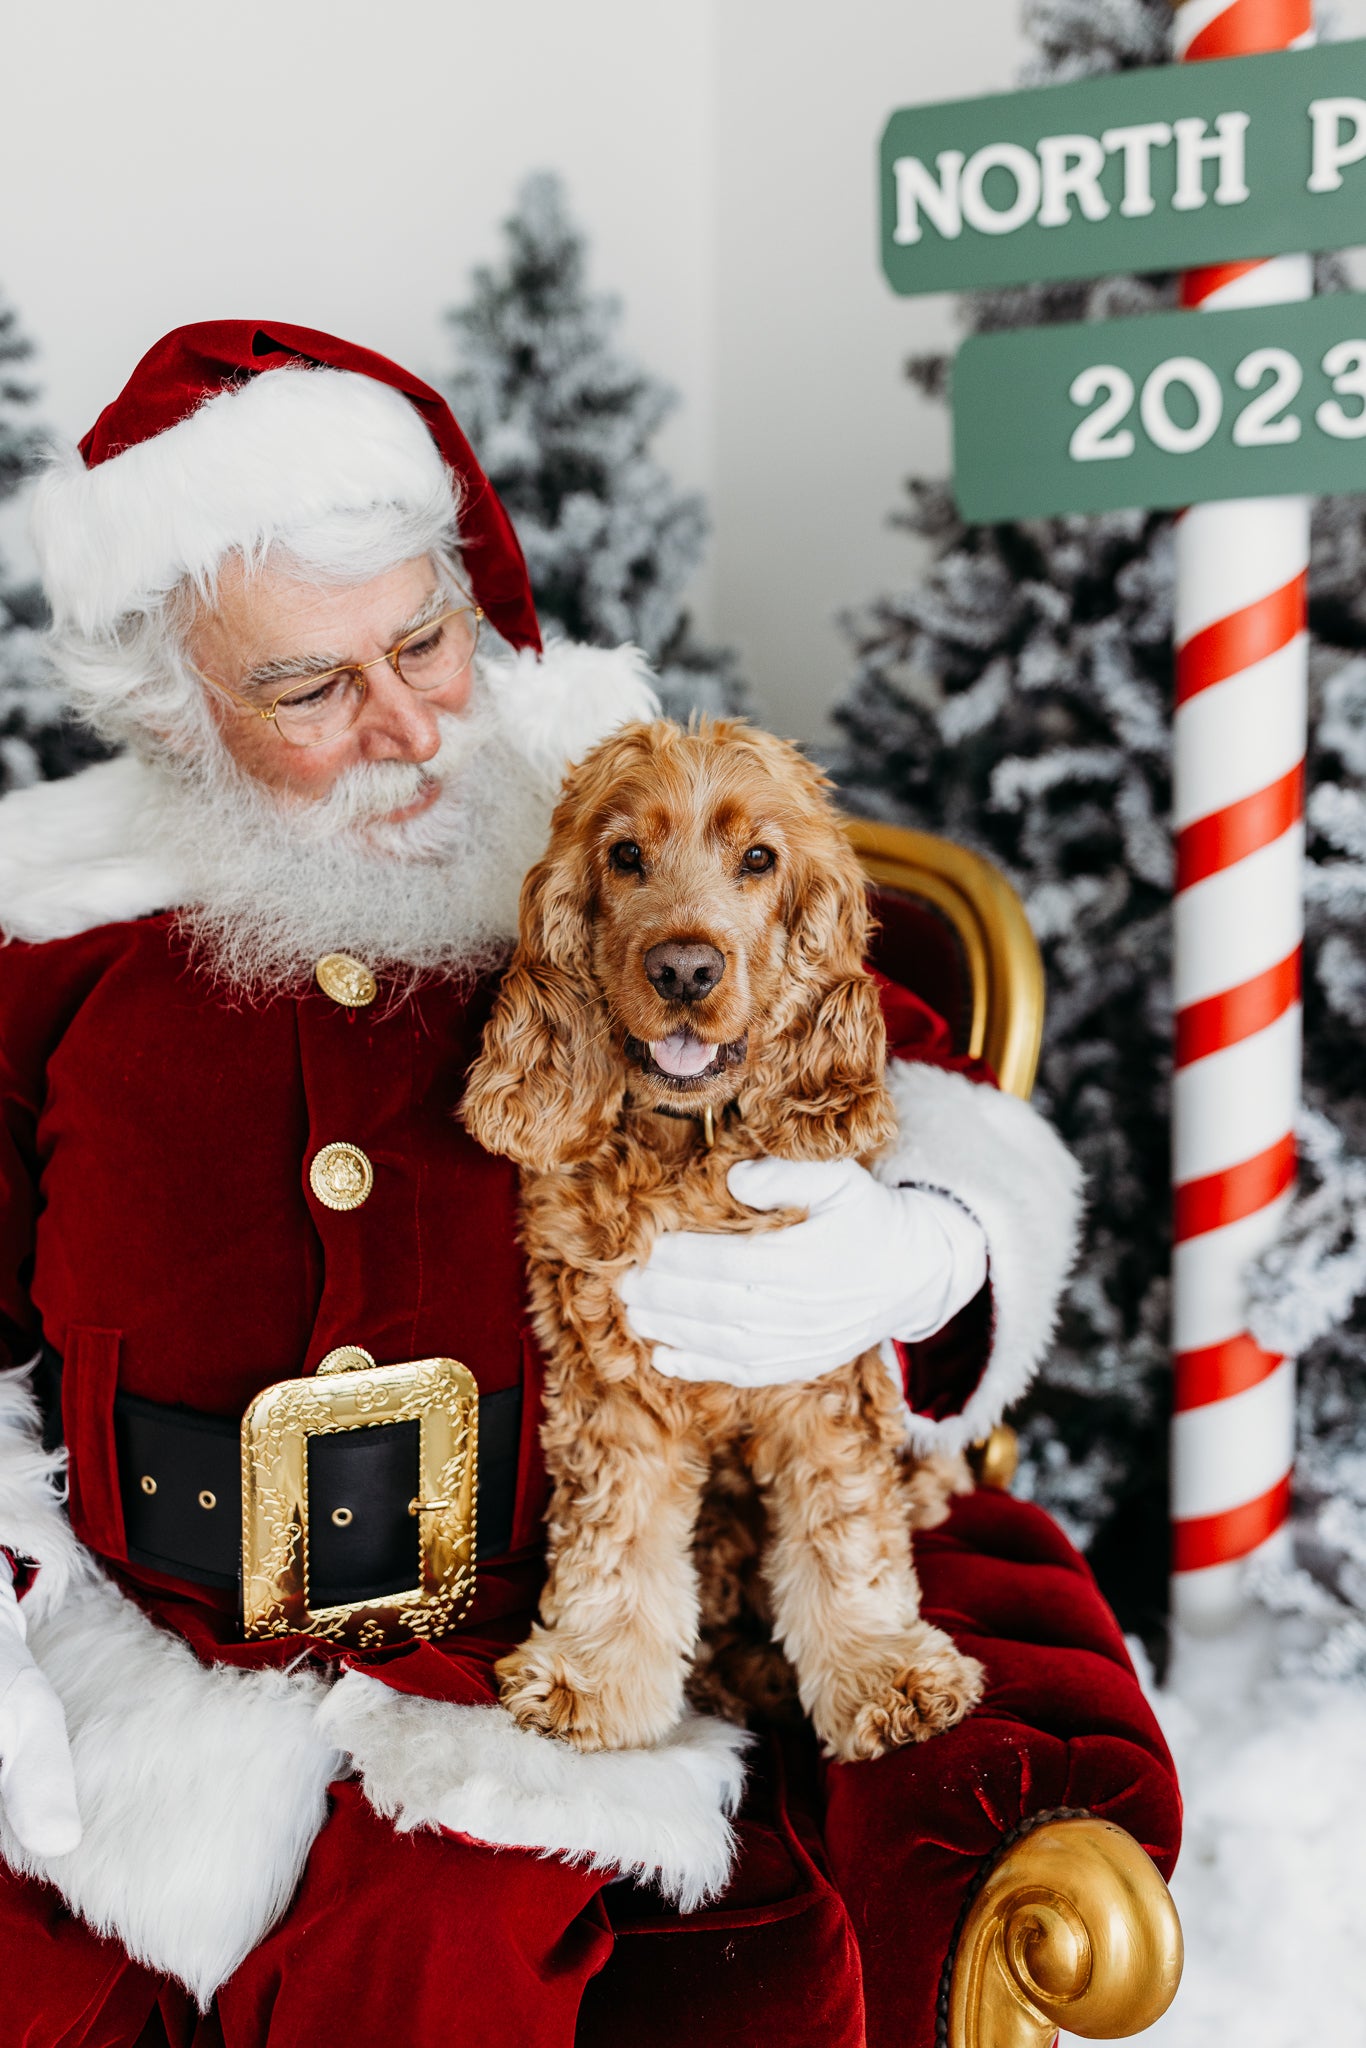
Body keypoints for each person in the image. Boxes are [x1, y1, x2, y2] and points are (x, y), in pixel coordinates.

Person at [0, 322, 1082, 2048]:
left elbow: (902, 1075)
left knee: (428, 1978)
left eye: (425, 644)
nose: (408, 727)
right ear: (178, 710)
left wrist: (919, 1247)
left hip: (521, 1678)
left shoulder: (610, 847)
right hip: (125, 1669)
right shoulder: (52, 945)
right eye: (307, 691)